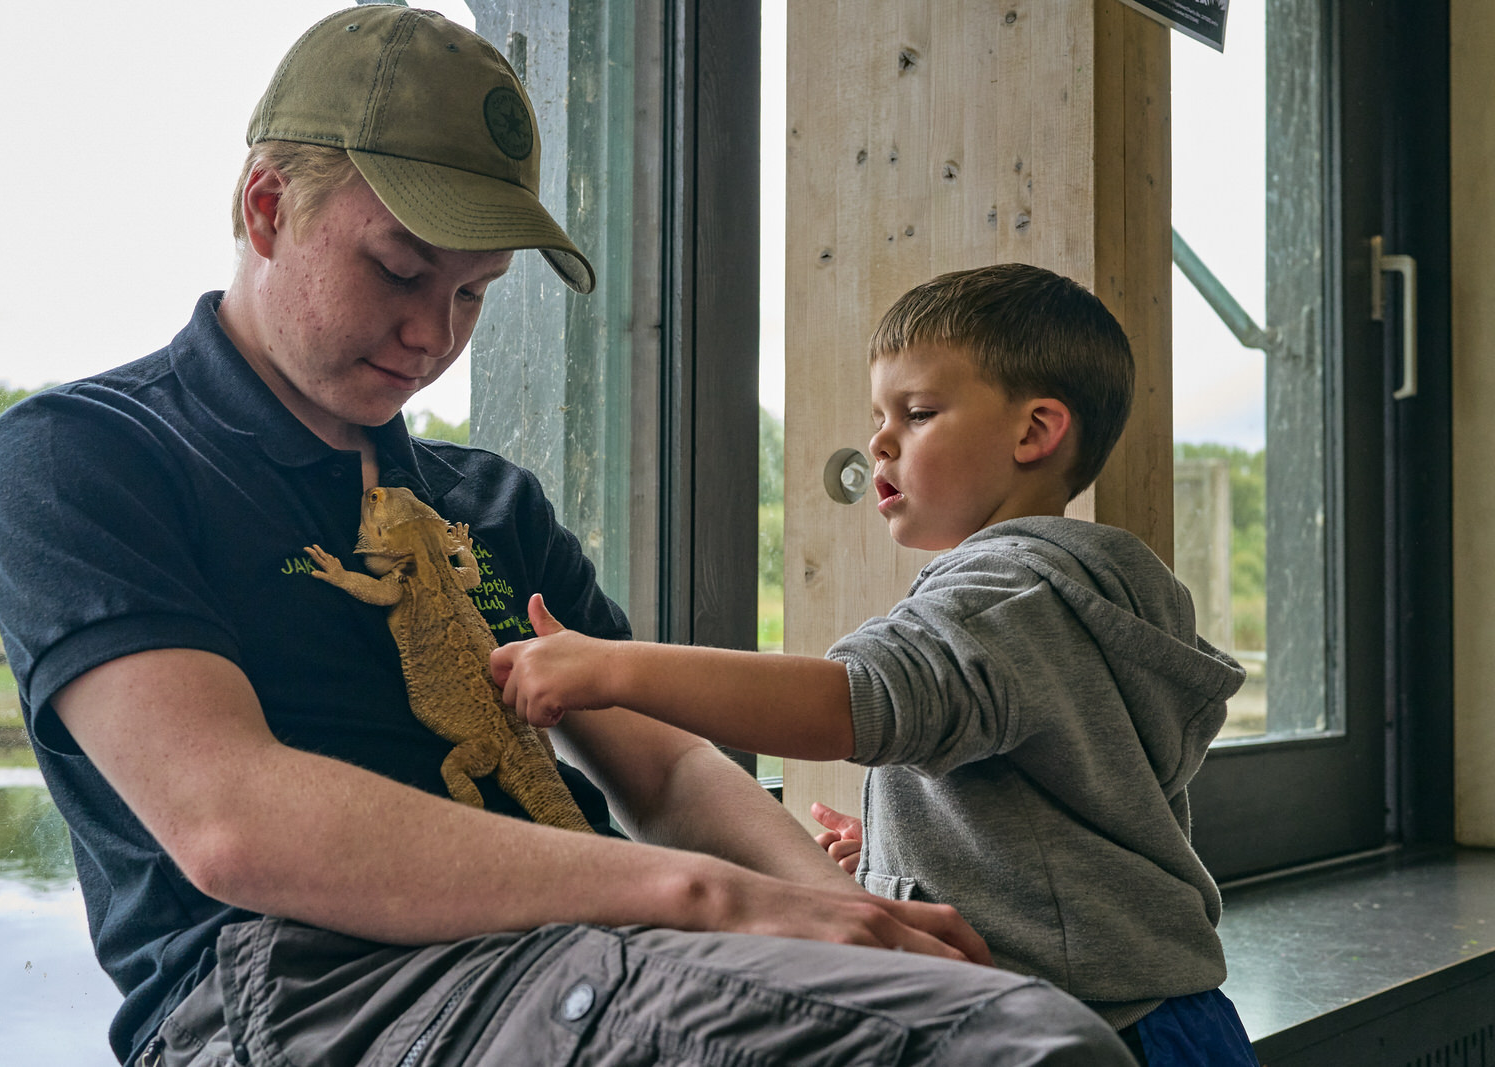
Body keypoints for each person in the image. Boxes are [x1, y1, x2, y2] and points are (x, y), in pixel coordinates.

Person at [0, 8, 1138, 1066]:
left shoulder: (490, 503)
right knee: (1010, 1050)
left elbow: (668, 763)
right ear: (267, 206)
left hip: (585, 950)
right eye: (401, 269)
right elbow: (234, 822)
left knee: (993, 1015)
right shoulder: (84, 454)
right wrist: (712, 896)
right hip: (312, 991)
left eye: (475, 294)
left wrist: (848, 915)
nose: (434, 333)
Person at [493, 264, 1261, 1066]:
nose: (880, 440)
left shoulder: (1004, 594)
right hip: (1179, 1020)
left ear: (1035, 431)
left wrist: (611, 669)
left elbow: (851, 701)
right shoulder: (1097, 592)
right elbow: (1071, 817)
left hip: (1084, 1031)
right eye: (878, 414)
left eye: (919, 412)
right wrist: (910, 852)